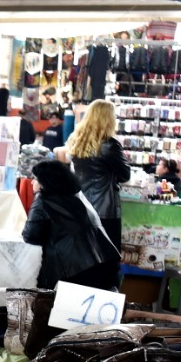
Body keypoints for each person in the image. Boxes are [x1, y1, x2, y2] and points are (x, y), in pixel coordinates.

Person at [23, 159, 120, 290]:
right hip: (106, 264)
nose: (32, 182)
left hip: (75, 271)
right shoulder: (78, 196)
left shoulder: (42, 200)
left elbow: (30, 236)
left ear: (44, 181)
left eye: (35, 178)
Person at [58, 98, 128, 250]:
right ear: (108, 119)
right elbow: (125, 175)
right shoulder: (110, 145)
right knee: (106, 255)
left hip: (79, 205)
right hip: (104, 210)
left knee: (83, 253)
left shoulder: (76, 140)